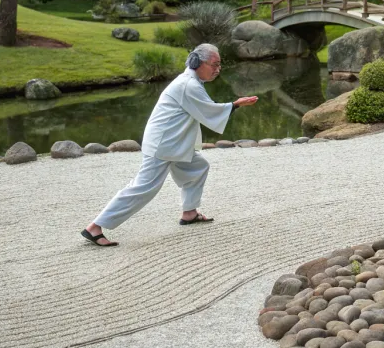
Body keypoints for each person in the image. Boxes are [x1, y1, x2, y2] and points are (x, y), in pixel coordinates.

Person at [81, 43, 258, 247]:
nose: (217, 69)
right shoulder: (188, 85)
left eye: (220, 65)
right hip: (164, 145)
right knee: (144, 187)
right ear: (196, 62)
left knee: (198, 167)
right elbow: (209, 111)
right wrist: (236, 104)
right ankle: (95, 227)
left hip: (175, 144)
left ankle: (189, 213)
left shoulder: (191, 81)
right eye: (214, 64)